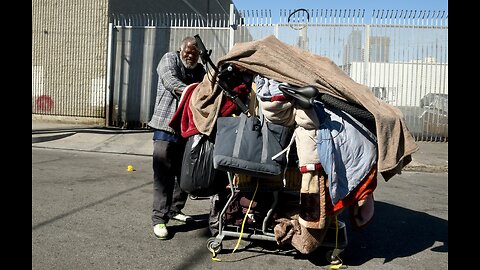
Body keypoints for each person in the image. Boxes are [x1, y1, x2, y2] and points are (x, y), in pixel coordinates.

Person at [148, 36, 206, 240]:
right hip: (166, 125)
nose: (190, 54)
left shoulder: (200, 70)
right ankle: (159, 219)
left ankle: (175, 210)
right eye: (187, 50)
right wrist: (194, 92)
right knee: (163, 173)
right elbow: (170, 80)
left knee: (184, 173)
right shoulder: (169, 59)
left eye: (195, 52)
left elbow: (208, 89)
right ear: (180, 49)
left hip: (188, 129)